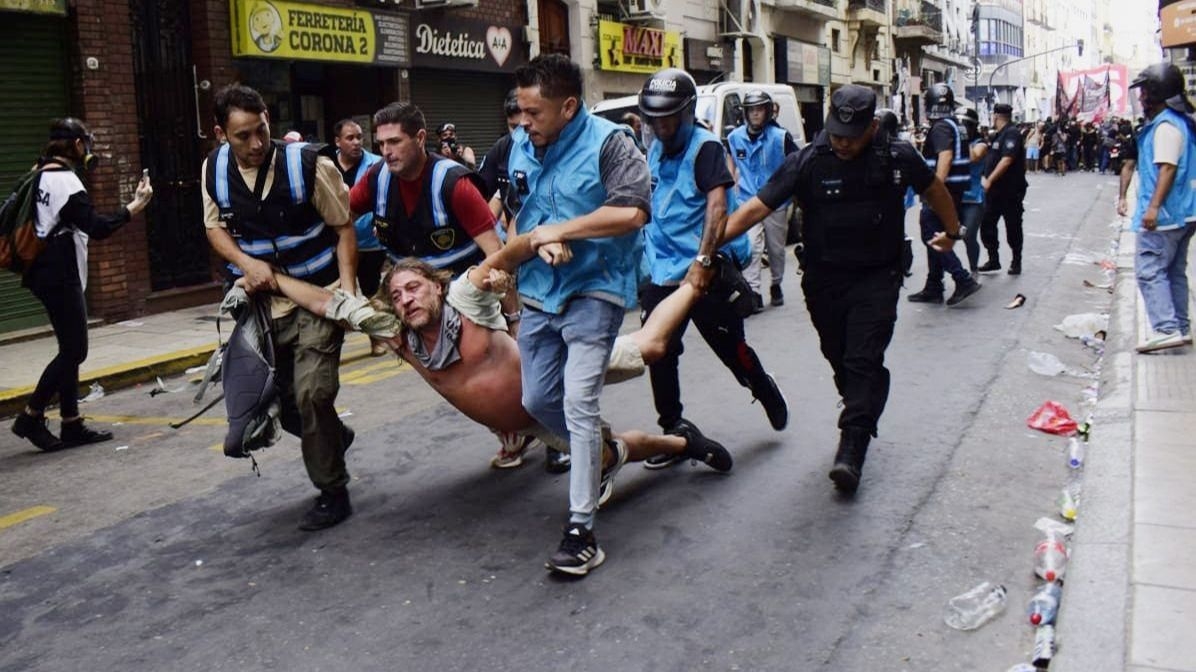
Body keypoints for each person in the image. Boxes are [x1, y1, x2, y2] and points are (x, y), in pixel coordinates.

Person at [725, 84, 966, 495]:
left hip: (878, 276)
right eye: (835, 133)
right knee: (840, 358)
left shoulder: (897, 155)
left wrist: (953, 229)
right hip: (824, 280)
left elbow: (934, 189)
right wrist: (708, 247)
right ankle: (865, 395)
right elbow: (756, 207)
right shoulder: (807, 161)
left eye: (850, 137)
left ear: (872, 127)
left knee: (861, 358)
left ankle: (852, 445)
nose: (841, 143)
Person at [505, 53, 652, 576]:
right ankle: (606, 451)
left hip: (597, 289)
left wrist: (561, 232)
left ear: (568, 107)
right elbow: (520, 214)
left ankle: (581, 531)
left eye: (534, 113)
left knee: (578, 402)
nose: (523, 123)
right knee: (536, 397)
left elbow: (632, 210)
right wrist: (534, 246)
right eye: (519, 112)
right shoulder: (522, 144)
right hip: (539, 292)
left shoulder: (613, 144)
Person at [201, 84, 357, 531]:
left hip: (318, 296)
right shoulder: (213, 170)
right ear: (220, 134)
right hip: (265, 308)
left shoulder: (309, 164)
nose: (255, 144)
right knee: (276, 402)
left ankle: (333, 491)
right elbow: (215, 229)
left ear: (269, 118)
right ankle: (334, 438)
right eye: (242, 136)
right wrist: (245, 263)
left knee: (312, 393)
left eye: (261, 131)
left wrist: (346, 293)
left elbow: (343, 227)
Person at [633, 68, 789, 470]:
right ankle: (674, 432)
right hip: (662, 273)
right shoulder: (654, 148)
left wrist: (703, 263)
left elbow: (717, 207)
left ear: (686, 113)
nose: (662, 125)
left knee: (731, 350)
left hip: (703, 272)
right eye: (655, 118)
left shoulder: (705, 148)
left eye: (669, 117)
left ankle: (760, 384)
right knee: (659, 352)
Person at [10, 118, 154, 452]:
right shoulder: (65, 181)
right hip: (59, 273)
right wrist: (136, 205)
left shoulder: (39, 172)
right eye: (85, 142)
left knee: (68, 347)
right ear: (77, 146)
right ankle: (31, 416)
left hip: (41, 271)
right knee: (75, 349)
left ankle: (71, 422)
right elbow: (98, 227)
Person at [1117, 63, 1196, 353]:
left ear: (1157, 92)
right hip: (1184, 212)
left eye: (1145, 91)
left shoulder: (1165, 126)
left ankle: (1165, 327)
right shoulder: (1181, 122)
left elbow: (1167, 170)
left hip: (1165, 216)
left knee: (1149, 270)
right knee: (1174, 271)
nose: (1141, 98)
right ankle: (1180, 328)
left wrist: (1152, 209)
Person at [907, 83, 981, 306]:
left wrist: (934, 190)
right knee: (937, 236)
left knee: (931, 235)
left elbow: (945, 157)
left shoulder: (940, 127)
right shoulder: (956, 125)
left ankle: (962, 279)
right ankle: (934, 285)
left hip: (945, 192)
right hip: (956, 190)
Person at [726, 90, 799, 310]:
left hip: (776, 201)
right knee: (752, 246)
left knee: (776, 250)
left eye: (760, 110)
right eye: (751, 111)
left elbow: (795, 165)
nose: (756, 114)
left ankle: (776, 283)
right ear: (745, 114)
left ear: (767, 112)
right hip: (748, 200)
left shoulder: (780, 137)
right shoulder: (733, 138)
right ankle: (753, 292)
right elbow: (730, 168)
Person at [332, 118, 387, 354]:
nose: (356, 142)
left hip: (369, 243)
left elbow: (385, 196)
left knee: (371, 291)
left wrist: (382, 223)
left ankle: (377, 339)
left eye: (359, 137)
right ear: (338, 142)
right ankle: (331, 345)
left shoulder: (376, 165)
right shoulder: (325, 165)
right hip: (336, 244)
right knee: (339, 293)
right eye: (350, 138)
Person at [978, 103, 1029, 275]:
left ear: (996, 116)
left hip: (1010, 191)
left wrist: (989, 180)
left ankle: (1016, 261)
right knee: (986, 224)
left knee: (1012, 226)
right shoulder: (998, 136)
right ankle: (993, 259)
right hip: (994, 192)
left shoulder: (1011, 133)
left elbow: (1006, 160)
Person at [477, 89, 523, 225]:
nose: (521, 134)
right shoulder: (501, 149)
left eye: (524, 126)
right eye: (514, 127)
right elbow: (478, 194)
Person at [957, 108, 989, 275]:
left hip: (973, 198)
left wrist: (961, 140)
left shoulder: (980, 144)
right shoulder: (951, 142)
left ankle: (973, 268)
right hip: (954, 195)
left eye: (965, 126)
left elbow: (975, 157)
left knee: (968, 236)